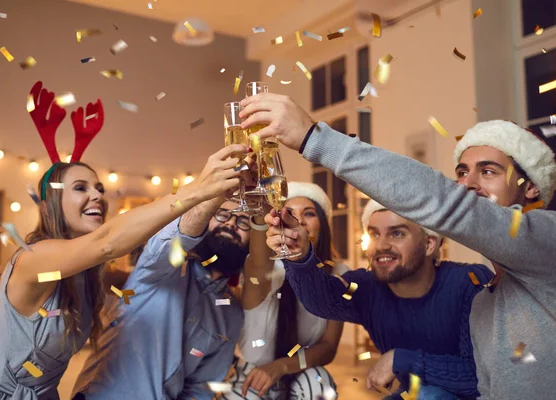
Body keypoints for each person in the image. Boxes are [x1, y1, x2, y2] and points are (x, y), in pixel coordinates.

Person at [239, 93, 556, 399]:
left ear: (530, 188)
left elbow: (449, 204)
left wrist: (314, 139)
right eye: (461, 173)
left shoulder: (546, 243)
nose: (468, 184)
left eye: (487, 171)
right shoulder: (487, 299)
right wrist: (300, 255)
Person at [0, 81, 247, 399]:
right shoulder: (34, 259)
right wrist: (198, 190)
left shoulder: (92, 274)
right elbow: (107, 242)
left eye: (98, 188)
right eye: (80, 188)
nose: (96, 195)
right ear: (51, 204)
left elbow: (144, 277)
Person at [265, 198, 491, 399]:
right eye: (374, 234)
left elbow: (482, 377)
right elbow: (322, 301)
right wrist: (299, 256)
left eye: (397, 233)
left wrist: (400, 359)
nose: (381, 245)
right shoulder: (367, 287)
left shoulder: (470, 283)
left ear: (429, 243)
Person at [72, 199, 251, 399]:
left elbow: (202, 388)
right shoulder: (164, 266)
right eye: (222, 214)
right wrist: (215, 193)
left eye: (244, 221)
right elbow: (178, 237)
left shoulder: (232, 315)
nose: (231, 223)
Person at [224, 182, 345, 400]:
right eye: (289, 213)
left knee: (319, 384)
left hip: (299, 373)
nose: (299, 220)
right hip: (251, 377)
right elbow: (259, 260)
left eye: (309, 213)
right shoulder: (268, 269)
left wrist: (280, 366)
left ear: (323, 226)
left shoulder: (337, 275)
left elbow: (328, 347)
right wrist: (261, 211)